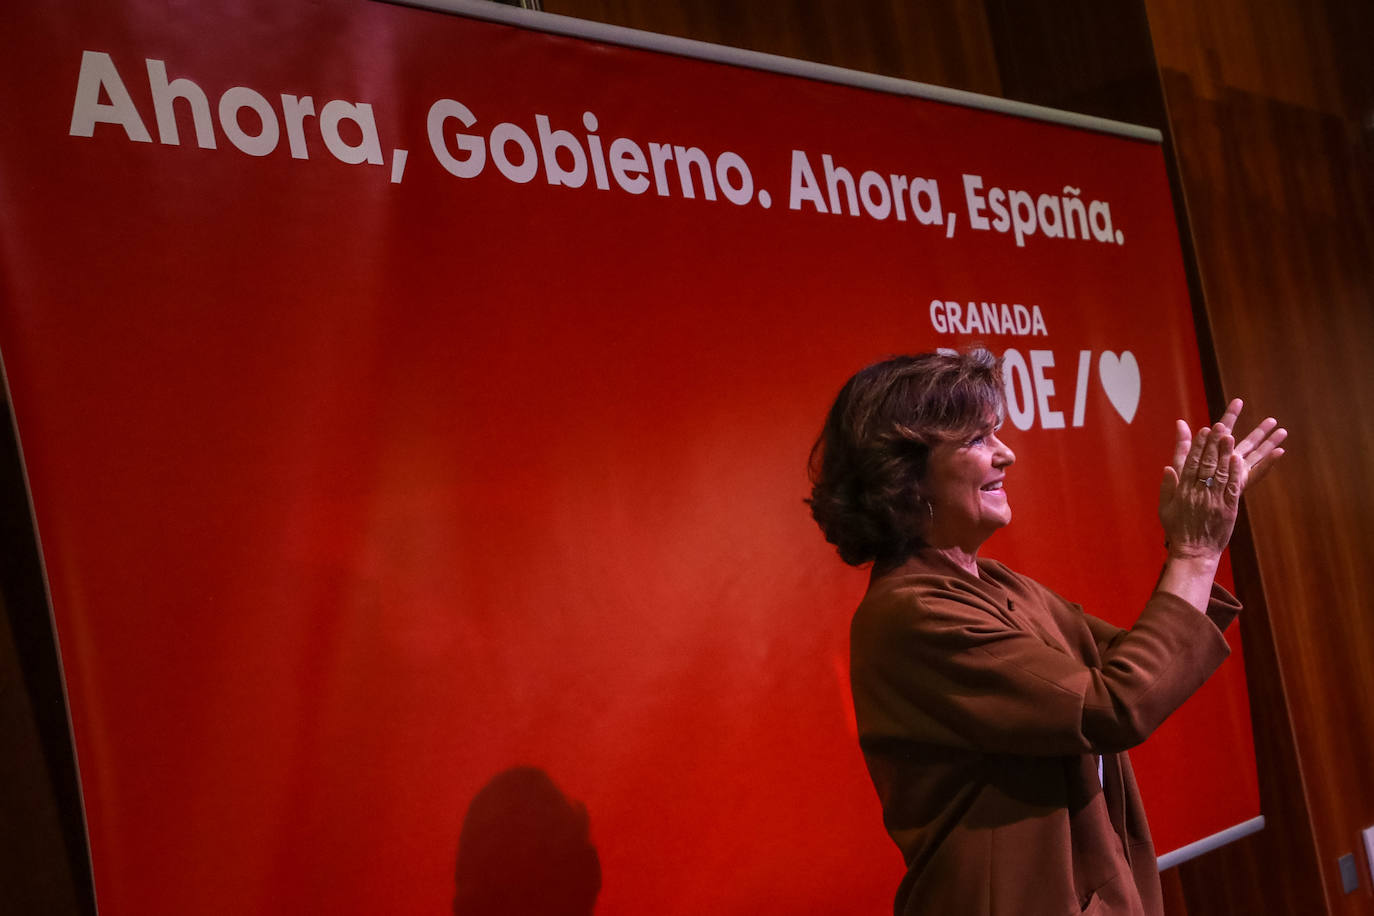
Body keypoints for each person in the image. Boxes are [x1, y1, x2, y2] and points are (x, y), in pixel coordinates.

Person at [806, 350, 1286, 916]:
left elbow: (1133, 668)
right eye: (978, 439)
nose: (1006, 454)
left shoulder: (990, 582)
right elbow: (1117, 704)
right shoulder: (914, 614)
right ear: (903, 472)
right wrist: (1195, 551)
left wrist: (1202, 539)